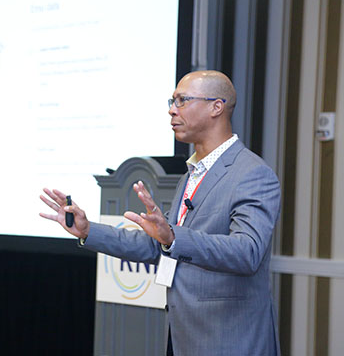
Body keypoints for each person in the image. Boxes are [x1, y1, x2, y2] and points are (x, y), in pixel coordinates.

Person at [40, 70, 281, 356]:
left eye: (182, 100)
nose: (171, 109)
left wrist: (173, 237)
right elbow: (158, 244)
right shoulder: (191, 175)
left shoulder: (252, 174)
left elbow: (248, 252)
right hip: (183, 338)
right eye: (172, 100)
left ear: (217, 107)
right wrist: (88, 230)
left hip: (228, 341)